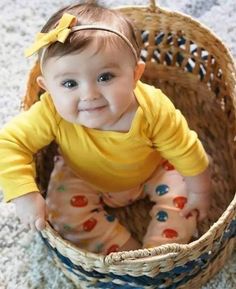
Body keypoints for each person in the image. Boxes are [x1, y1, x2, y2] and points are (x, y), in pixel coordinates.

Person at [0, 1, 211, 254]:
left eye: (105, 77)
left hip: (152, 170)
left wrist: (200, 192)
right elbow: (9, 143)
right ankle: (124, 256)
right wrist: (24, 193)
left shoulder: (153, 107)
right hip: (82, 175)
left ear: (135, 75)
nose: (89, 95)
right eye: (69, 83)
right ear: (47, 87)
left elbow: (186, 149)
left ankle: (157, 255)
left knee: (186, 197)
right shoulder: (50, 111)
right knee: (61, 213)